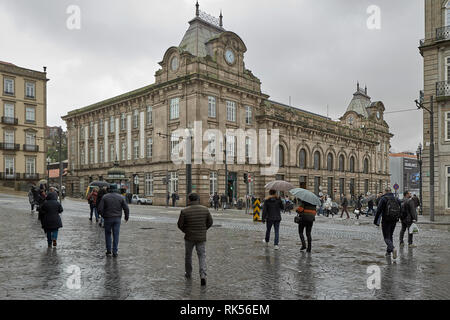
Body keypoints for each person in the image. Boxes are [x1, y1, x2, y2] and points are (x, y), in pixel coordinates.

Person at [177, 193, 213, 286]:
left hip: (189, 237)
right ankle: (203, 275)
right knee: (202, 256)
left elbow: (180, 225)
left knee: (188, 256)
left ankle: (188, 273)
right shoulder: (205, 210)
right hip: (201, 237)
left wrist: (186, 231)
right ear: (198, 199)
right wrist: (203, 230)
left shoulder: (184, 211)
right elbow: (210, 222)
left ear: (189, 200)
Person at [97, 187, 130, 257]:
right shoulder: (121, 197)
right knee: (116, 235)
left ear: (109, 189)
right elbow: (126, 208)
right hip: (117, 219)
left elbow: (100, 209)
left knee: (108, 234)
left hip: (108, 218)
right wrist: (126, 217)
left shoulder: (105, 197)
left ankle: (108, 251)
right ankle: (115, 251)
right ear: (116, 189)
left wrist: (104, 216)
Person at [374, 187, 402, 259]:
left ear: (385, 191)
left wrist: (376, 221)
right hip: (394, 220)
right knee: (390, 235)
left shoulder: (383, 199)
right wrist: (398, 217)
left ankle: (392, 248)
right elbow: (401, 208)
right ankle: (388, 252)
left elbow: (378, 210)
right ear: (391, 191)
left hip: (386, 220)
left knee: (386, 237)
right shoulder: (396, 199)